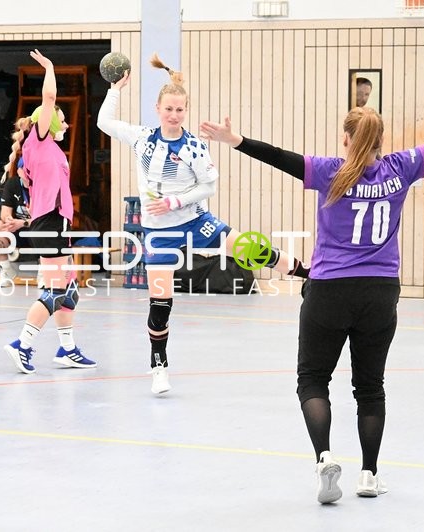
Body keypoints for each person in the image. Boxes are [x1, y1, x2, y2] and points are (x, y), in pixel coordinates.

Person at [199, 79, 424, 503]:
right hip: (380, 292)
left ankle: (323, 458)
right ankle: (370, 474)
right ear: (381, 140)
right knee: (370, 387)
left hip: (328, 290)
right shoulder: (401, 168)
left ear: (345, 138)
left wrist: (236, 140)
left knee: (313, 380)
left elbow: (279, 158)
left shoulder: (329, 172)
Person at [98, 54, 309, 395]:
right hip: (159, 233)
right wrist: (115, 89)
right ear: (157, 108)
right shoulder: (142, 139)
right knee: (160, 304)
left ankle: (309, 275)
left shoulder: (193, 146)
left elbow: (209, 186)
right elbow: (104, 122)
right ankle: (159, 366)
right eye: (169, 109)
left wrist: (174, 201)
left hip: (196, 221)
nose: (174, 115)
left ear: (186, 111)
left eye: (180, 109)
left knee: (249, 248)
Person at [3, 49, 96, 373]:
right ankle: (22, 344)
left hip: (54, 224)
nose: (68, 123)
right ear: (48, 121)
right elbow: (50, 95)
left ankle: (66, 349)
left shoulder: (50, 150)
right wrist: (51, 68)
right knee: (56, 290)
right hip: (49, 225)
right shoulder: (38, 142)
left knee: (69, 289)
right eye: (63, 118)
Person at [0, 156, 31, 286]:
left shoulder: (42, 184)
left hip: (36, 228)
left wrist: (23, 223)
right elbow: (5, 212)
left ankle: (43, 274)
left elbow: (44, 217)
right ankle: (6, 271)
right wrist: (10, 221)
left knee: (46, 229)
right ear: (19, 171)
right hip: (16, 229)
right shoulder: (12, 184)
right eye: (27, 169)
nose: (30, 172)